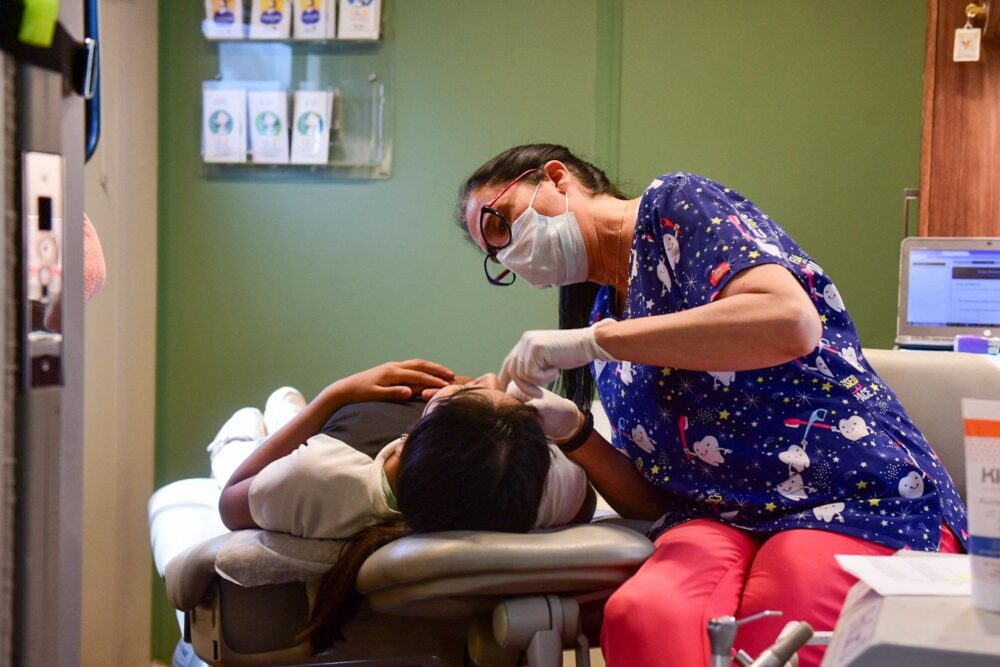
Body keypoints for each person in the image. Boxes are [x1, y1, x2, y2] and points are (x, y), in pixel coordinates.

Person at [456, 144, 968, 666]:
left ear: (556, 178)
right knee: (644, 616)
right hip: (722, 520)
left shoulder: (672, 206)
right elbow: (658, 500)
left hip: (849, 496)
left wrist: (598, 342)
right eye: (494, 255)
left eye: (498, 224)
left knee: (777, 624)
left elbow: (789, 321)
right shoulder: (604, 310)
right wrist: (575, 432)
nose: (508, 253)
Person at [216, 359, 595, 649]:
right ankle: (287, 410)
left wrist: (335, 394)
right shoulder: (525, 483)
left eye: (471, 391)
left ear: (411, 438)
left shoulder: (317, 477)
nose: (486, 379)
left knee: (265, 414)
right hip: (345, 439)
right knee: (285, 404)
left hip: (303, 443)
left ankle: (250, 425)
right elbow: (584, 502)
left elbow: (231, 501)